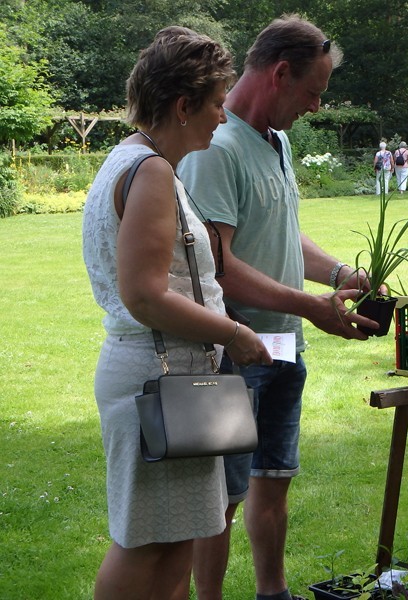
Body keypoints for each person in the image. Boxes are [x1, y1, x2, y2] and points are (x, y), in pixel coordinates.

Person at [177, 14, 380, 600]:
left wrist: (340, 275)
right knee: (219, 498)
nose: (315, 106)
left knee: (273, 480)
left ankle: (274, 593)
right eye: (312, 92)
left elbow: (282, 231)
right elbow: (219, 266)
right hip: (231, 352)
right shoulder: (216, 147)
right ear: (281, 73)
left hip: (283, 344)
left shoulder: (277, 141)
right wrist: (312, 306)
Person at [82, 27, 271, 600]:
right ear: (184, 105)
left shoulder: (135, 160)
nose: (223, 115)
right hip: (159, 379)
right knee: (146, 544)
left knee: (176, 541)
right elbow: (144, 295)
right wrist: (234, 332)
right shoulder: (152, 171)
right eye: (216, 103)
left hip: (169, 379)